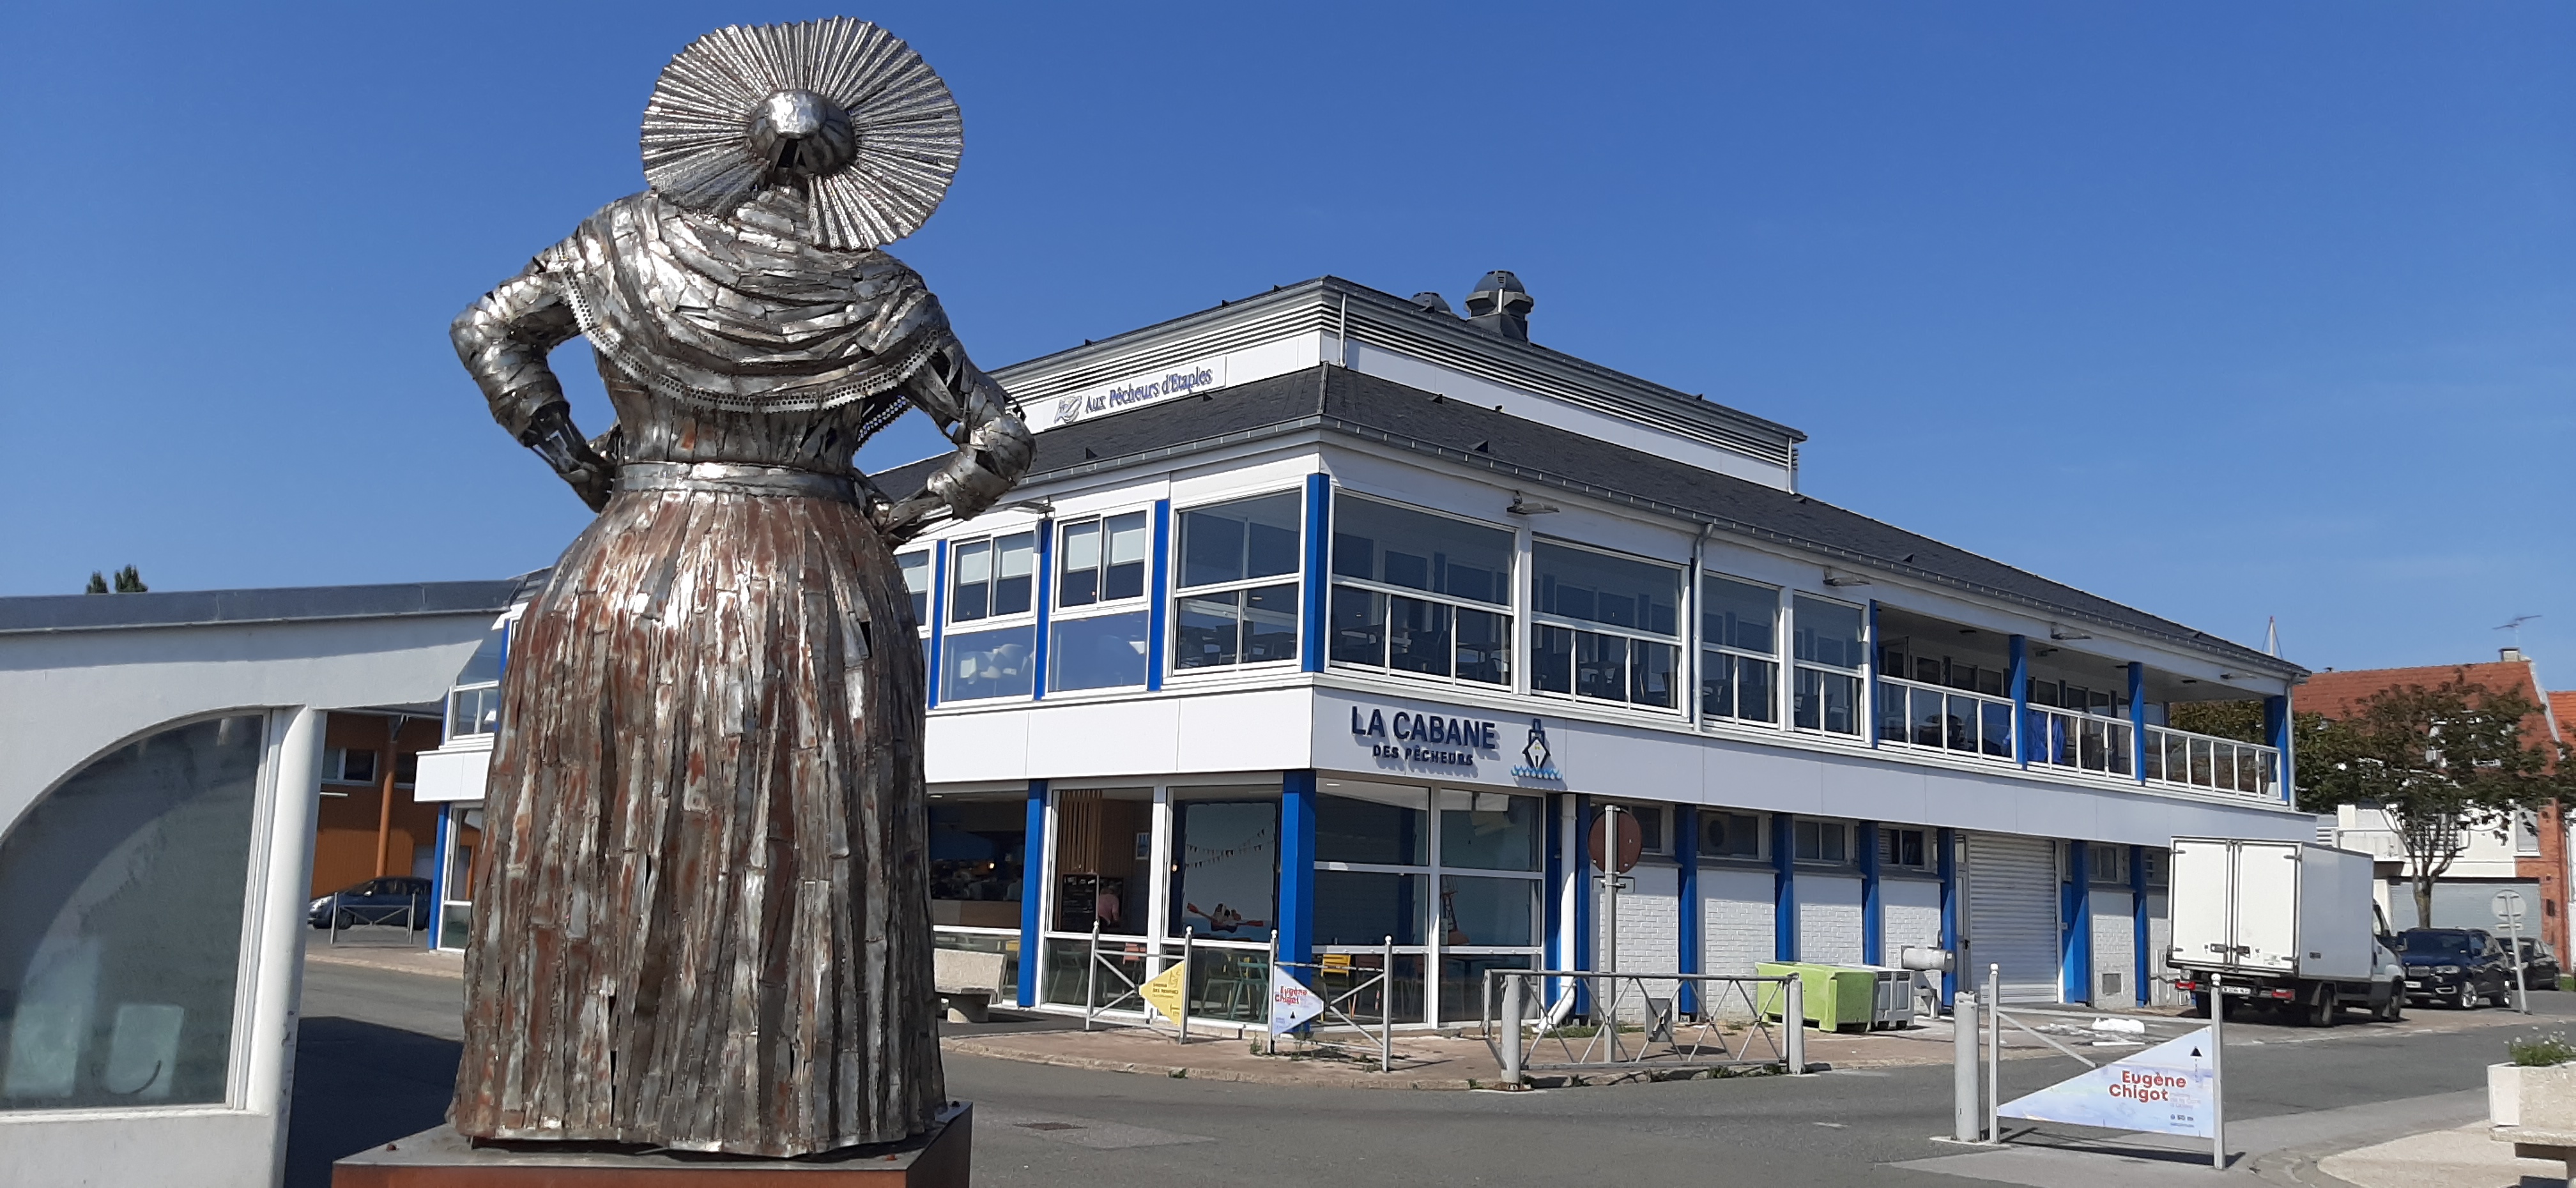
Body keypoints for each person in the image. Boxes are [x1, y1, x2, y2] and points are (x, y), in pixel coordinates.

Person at [445, 19, 1029, 1157]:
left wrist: (583, 466)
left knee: (595, 840)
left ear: (722, 138)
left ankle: (562, 1094)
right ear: (855, 172)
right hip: (809, 582)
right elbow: (1001, 441)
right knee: (797, 854)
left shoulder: (621, 244)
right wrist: (900, 515)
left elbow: (487, 334)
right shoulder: (881, 294)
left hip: (623, 567)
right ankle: (785, 1105)